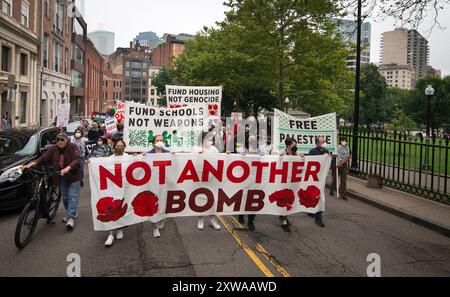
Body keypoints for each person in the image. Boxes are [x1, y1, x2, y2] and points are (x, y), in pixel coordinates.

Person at [21, 133, 81, 230]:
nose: (59, 142)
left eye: (62, 139)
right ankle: (71, 212)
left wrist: (68, 168)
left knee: (73, 196)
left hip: (73, 176)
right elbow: (43, 158)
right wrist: (31, 164)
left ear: (67, 140)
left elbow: (76, 159)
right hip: (60, 177)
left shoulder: (73, 147)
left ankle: (71, 218)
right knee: (65, 197)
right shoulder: (54, 148)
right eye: (57, 140)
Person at [103, 139, 129, 247]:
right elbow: (100, 167)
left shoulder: (128, 157)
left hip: (124, 188)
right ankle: (110, 234)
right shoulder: (109, 159)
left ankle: (120, 229)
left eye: (121, 145)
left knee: (121, 209)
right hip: (111, 188)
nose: (119, 147)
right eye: (117, 145)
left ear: (124, 147)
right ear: (114, 147)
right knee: (109, 209)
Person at [194, 131, 221, 231]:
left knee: (212, 198)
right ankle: (200, 219)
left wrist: (227, 155)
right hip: (200, 178)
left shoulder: (214, 149)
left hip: (212, 178)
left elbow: (220, 159)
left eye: (211, 139)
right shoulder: (196, 149)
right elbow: (189, 161)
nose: (210, 141)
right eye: (208, 138)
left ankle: (213, 219)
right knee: (201, 198)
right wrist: (198, 155)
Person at [145, 135, 170, 238]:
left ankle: (161, 219)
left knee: (163, 203)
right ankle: (155, 227)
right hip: (152, 184)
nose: (159, 141)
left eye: (161, 140)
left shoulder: (168, 153)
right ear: (153, 142)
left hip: (164, 184)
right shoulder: (148, 154)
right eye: (157, 140)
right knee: (153, 205)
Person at [237, 134, 263, 231]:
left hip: (255, 177)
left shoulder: (259, 149)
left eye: (254, 139)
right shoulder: (242, 149)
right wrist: (241, 155)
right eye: (250, 139)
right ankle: (240, 214)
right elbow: (236, 156)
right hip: (244, 177)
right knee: (243, 196)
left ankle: (251, 220)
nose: (252, 141)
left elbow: (265, 157)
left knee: (253, 198)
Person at [307, 136, 332, 228]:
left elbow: (329, 164)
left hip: (322, 179)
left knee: (320, 197)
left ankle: (318, 217)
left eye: (324, 141)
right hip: (313, 178)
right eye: (322, 142)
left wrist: (330, 158)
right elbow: (308, 163)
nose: (324, 143)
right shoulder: (312, 151)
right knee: (312, 195)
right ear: (317, 143)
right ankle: (311, 211)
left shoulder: (326, 151)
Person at [277, 137, 298, 232]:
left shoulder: (295, 153)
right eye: (293, 145)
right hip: (283, 180)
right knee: (283, 199)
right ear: (288, 145)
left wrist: (301, 157)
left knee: (289, 199)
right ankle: (283, 220)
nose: (295, 147)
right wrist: (279, 157)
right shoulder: (282, 153)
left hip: (291, 180)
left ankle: (285, 216)